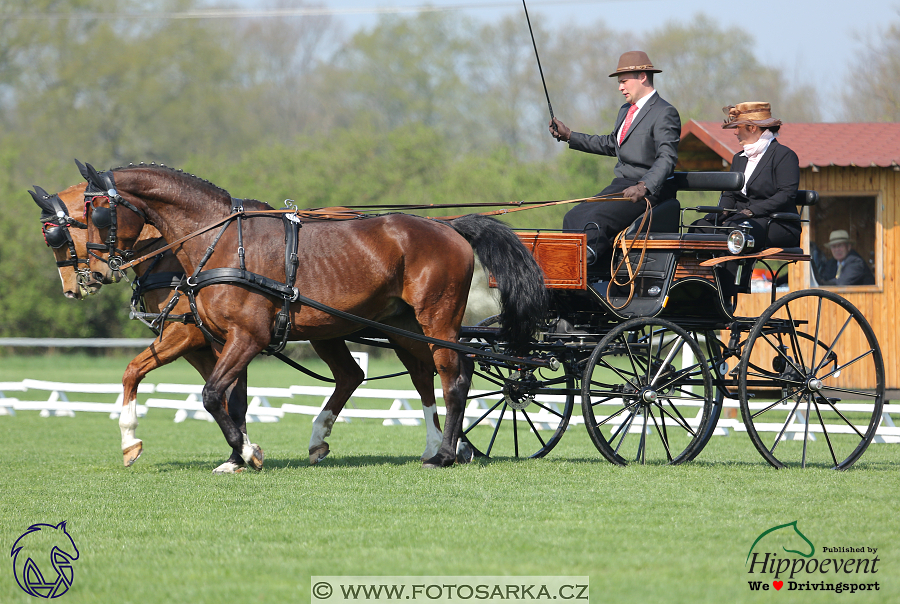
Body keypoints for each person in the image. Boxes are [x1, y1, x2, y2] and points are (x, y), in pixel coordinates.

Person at [549, 50, 680, 269]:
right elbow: (612, 143)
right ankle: (572, 276)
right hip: (620, 186)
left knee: (596, 219)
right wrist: (570, 135)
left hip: (647, 191)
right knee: (573, 217)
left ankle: (586, 267)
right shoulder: (625, 111)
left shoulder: (664, 112)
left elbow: (666, 157)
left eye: (624, 82)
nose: (620, 88)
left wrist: (645, 186)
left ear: (642, 77)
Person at [692, 102, 800, 249]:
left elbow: (786, 195)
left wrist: (751, 211)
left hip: (776, 223)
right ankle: (703, 271)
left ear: (752, 127)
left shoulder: (784, 155)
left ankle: (732, 272)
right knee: (698, 228)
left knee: (735, 232)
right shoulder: (739, 158)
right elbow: (730, 194)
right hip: (739, 221)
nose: (735, 132)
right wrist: (722, 212)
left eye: (738, 127)